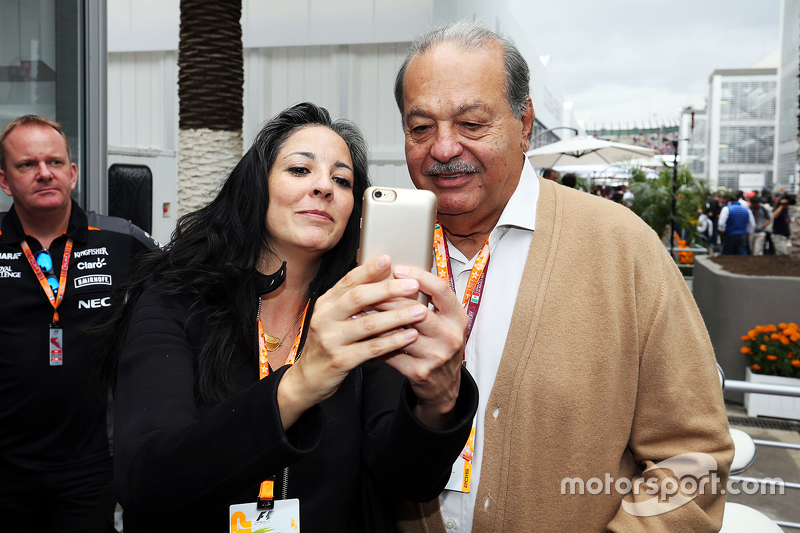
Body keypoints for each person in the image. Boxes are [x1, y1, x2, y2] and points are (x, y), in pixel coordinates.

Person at [392, 20, 732, 533]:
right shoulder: (375, 258)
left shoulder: (622, 248)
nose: (442, 149)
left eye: (471, 124)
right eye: (421, 128)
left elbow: (693, 457)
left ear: (524, 123)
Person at [97, 102, 478, 533]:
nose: (324, 188)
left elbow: (407, 480)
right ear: (256, 186)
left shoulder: (365, 312)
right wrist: (300, 383)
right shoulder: (174, 298)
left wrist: (439, 403)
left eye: (342, 180)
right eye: (300, 170)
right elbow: (144, 483)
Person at [0, 115, 158, 531]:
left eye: (54, 162)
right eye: (26, 165)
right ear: (4, 180)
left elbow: (190, 286)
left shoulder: (122, 239)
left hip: (89, 467)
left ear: (72, 174)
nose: (43, 173)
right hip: (4, 467)